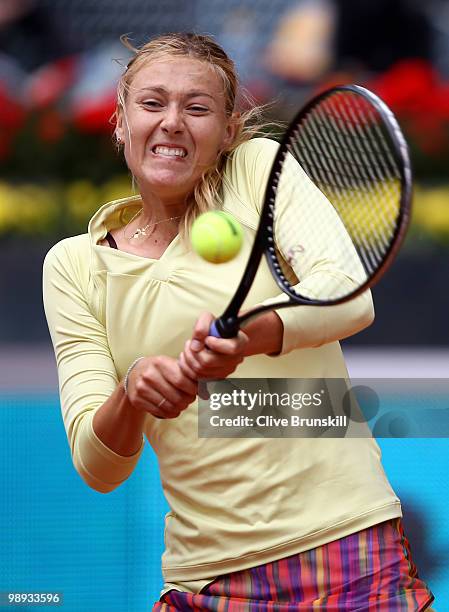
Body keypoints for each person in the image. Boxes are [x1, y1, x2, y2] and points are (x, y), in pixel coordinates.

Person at [43, 33, 435, 611]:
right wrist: (132, 395)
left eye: (197, 108)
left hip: (346, 549)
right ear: (120, 122)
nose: (173, 122)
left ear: (228, 131)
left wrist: (251, 336)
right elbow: (98, 467)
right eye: (152, 104)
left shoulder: (258, 170)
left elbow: (350, 297)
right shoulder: (74, 265)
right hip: (206, 579)